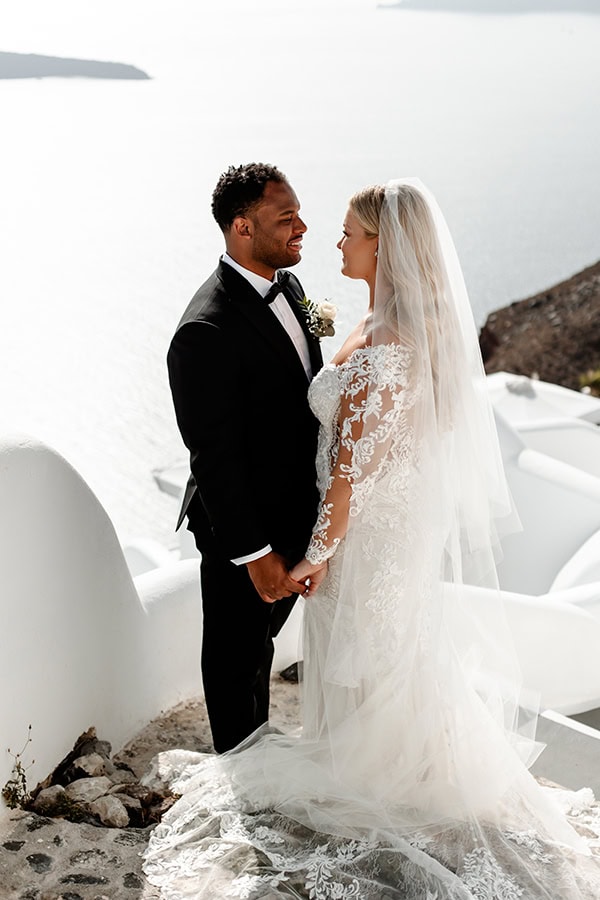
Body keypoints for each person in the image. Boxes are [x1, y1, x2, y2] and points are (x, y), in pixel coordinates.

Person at [145, 180, 600, 898]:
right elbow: (248, 442)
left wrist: (316, 555)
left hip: (365, 537)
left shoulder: (388, 344)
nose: (329, 238)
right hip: (360, 532)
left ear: (384, 247)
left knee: (377, 659)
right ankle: (356, 769)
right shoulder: (351, 321)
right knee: (355, 657)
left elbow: (352, 474)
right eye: (289, 218)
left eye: (349, 232)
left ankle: (376, 783)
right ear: (240, 229)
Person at [167, 163, 323, 753]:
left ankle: (258, 761)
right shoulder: (204, 330)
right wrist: (254, 554)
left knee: (262, 652)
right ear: (241, 228)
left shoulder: (290, 285)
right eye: (286, 219)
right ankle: (242, 782)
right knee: (235, 663)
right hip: (245, 529)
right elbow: (215, 456)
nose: (302, 227)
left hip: (294, 515)